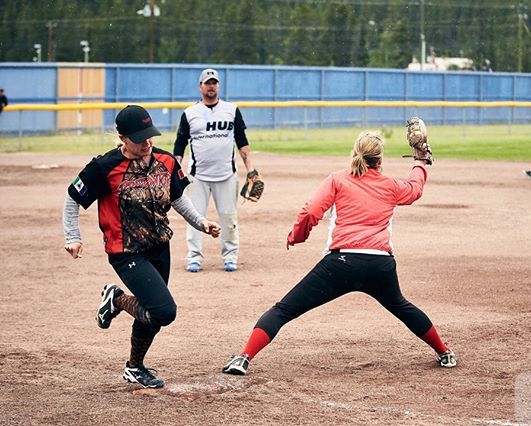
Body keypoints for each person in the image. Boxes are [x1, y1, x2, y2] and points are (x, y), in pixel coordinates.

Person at [221, 130, 457, 376]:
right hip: (379, 266)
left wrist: (297, 236)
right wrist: (419, 162)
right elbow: (414, 188)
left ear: (355, 154)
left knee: (284, 310)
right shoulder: (390, 186)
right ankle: (444, 352)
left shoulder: (338, 179)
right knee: (402, 307)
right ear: (380, 160)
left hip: (340, 264)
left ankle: (243, 358)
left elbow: (312, 211)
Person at [63, 105, 221, 388]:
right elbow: (73, 196)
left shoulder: (165, 160)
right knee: (163, 311)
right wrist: (73, 236)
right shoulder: (104, 167)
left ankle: (135, 367)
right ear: (122, 137)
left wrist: (201, 222)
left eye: (150, 136)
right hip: (126, 252)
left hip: (160, 246)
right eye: (139, 138)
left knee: (152, 314)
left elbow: (176, 198)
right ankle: (117, 299)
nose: (147, 143)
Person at [173, 68, 257, 273]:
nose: (211, 86)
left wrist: (251, 170)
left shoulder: (231, 110)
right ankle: (194, 257)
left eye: (214, 82)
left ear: (218, 85)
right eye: (207, 82)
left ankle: (230, 256)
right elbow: (179, 144)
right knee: (194, 216)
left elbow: (242, 142)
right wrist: (174, 172)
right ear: (200, 86)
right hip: (198, 176)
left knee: (228, 217)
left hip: (226, 174)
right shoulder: (190, 113)